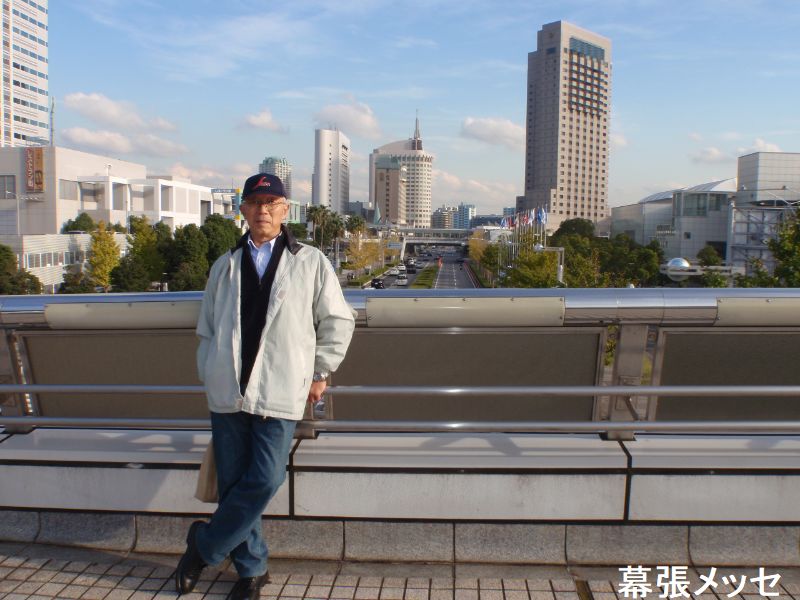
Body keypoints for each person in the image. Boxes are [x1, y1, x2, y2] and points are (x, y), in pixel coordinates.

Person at [175, 173, 355, 600]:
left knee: (266, 479)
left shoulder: (310, 261)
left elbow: (337, 320)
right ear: (243, 210)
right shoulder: (224, 266)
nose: (263, 210)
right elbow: (207, 330)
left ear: (285, 210)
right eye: (255, 203)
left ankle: (203, 546)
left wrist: (320, 372)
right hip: (228, 392)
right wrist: (210, 373)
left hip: (281, 389)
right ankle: (252, 571)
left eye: (271, 203)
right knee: (234, 484)